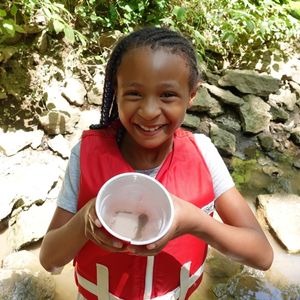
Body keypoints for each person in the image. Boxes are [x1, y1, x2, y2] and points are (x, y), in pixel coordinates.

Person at [39, 27, 273, 300]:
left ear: (191, 95)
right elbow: (49, 260)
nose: (149, 112)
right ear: (116, 92)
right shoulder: (85, 155)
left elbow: (262, 255)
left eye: (167, 95)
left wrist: (195, 221)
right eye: (134, 94)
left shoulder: (204, 154)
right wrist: (85, 219)